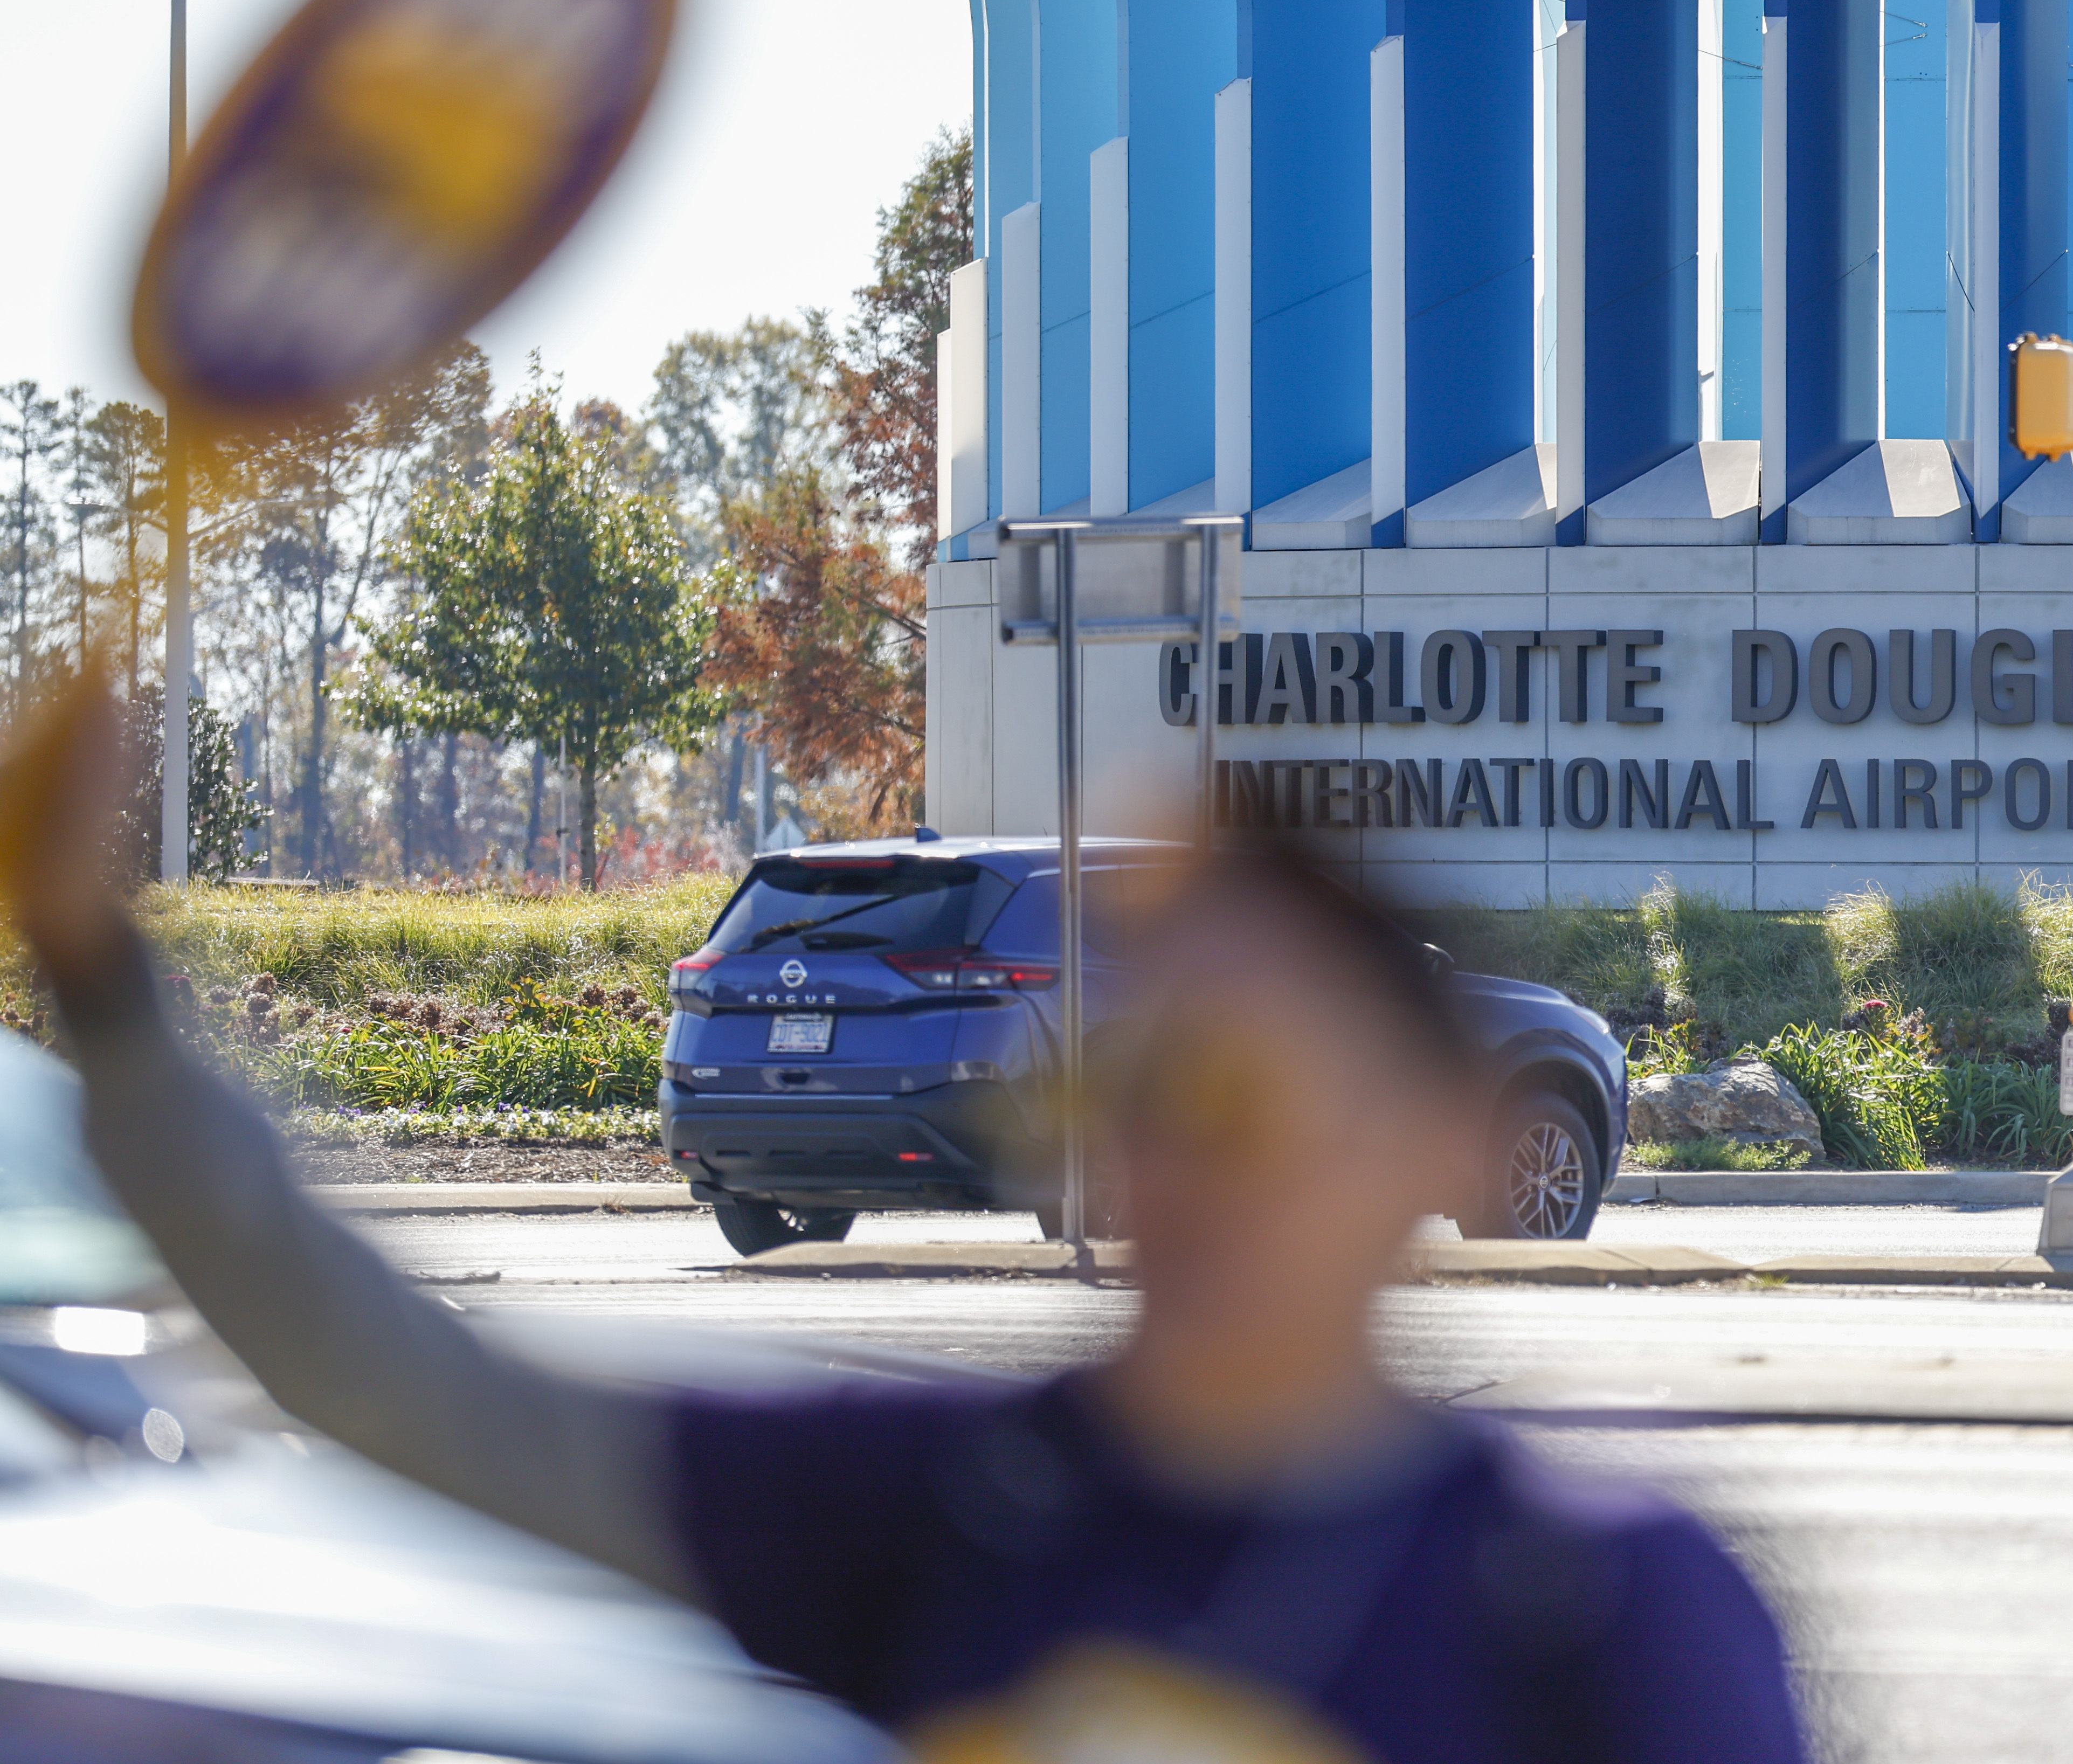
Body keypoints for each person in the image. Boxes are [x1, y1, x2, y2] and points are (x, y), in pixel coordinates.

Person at [1, 689, 1810, 1764]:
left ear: (1422, 1125)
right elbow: (395, 1384)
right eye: (1113, 1089)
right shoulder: (946, 1508)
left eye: (1233, 1092)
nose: (1163, 1158)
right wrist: (99, 973)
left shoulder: (1599, 1608)